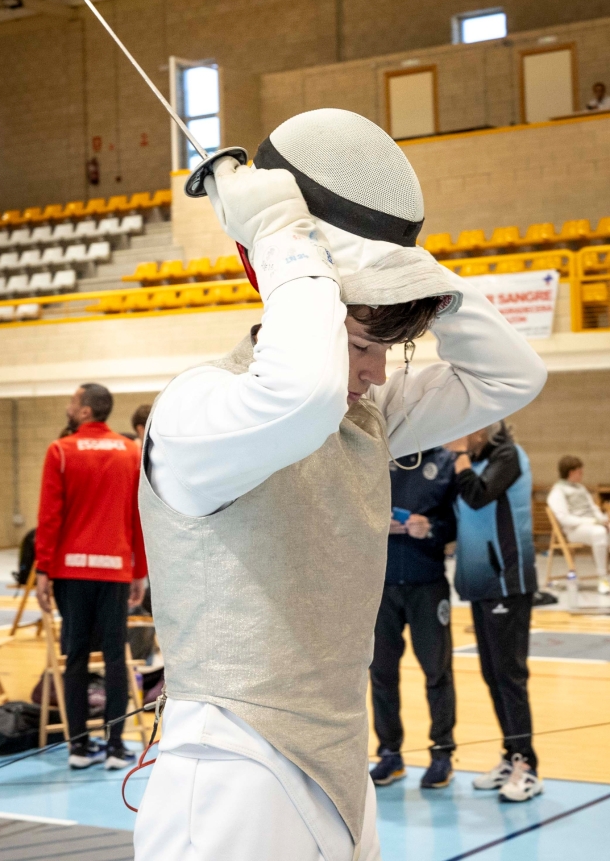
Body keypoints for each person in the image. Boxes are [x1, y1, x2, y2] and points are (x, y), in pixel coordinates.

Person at [134, 108, 547, 861]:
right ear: (308, 305)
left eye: (388, 349)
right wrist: (287, 238)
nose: (376, 372)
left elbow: (513, 373)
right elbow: (299, 395)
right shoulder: (198, 409)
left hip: (338, 769)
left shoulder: (361, 419)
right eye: (361, 345)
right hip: (232, 770)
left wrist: (397, 262)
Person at [35, 382, 148, 771]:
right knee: (116, 656)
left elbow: (49, 517)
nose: (68, 406)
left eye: (72, 401)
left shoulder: (60, 451)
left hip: (71, 572)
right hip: (115, 570)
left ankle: (79, 748)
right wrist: (140, 570)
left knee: (77, 657)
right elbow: (138, 516)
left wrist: (42, 571)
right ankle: (116, 747)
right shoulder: (130, 451)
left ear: (85, 411)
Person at [446, 422, 541, 803]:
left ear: (484, 428)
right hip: (481, 584)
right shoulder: (477, 459)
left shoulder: (508, 456)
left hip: (508, 582)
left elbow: (477, 496)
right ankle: (510, 755)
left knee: (510, 676)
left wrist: (459, 456)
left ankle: (527, 766)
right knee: (492, 674)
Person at [369, 447, 457, 790]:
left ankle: (441, 754)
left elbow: (456, 521)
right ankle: (389, 754)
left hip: (428, 586)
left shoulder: (445, 462)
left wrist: (432, 527)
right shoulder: (375, 455)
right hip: (382, 587)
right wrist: (375, 525)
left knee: (437, 672)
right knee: (382, 674)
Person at [548, 455, 609, 594]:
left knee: (602, 530)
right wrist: (594, 522)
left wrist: (604, 521)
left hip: (593, 526)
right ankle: (603, 578)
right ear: (571, 472)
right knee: (599, 533)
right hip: (575, 530)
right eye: (579, 472)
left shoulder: (581, 488)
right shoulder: (557, 492)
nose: (582, 475)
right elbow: (565, 519)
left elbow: (593, 509)